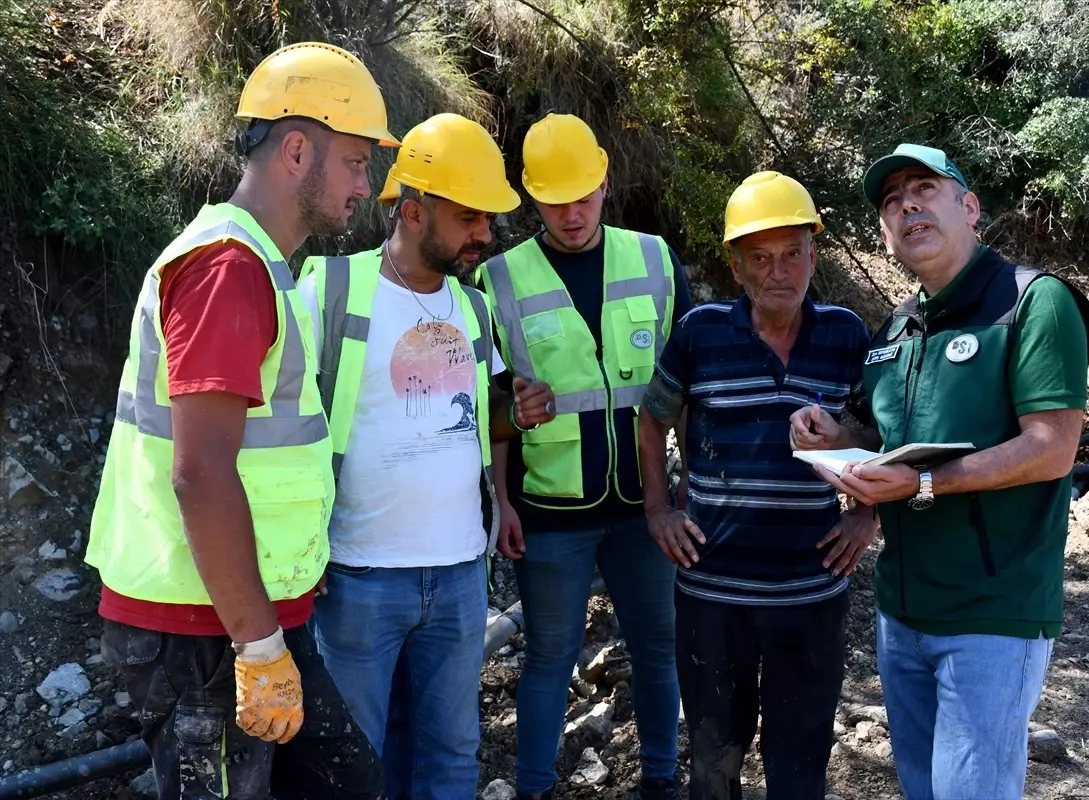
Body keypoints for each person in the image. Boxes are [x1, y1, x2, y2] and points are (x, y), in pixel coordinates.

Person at [85, 42, 399, 799]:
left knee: (346, 782)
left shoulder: (258, 265)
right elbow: (200, 472)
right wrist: (258, 643)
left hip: (239, 616)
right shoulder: (229, 268)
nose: (368, 185)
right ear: (298, 150)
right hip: (206, 629)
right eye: (357, 162)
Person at [808, 143, 1089, 800]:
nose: (907, 204)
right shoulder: (894, 331)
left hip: (993, 614)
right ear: (884, 235)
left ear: (970, 208)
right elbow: (876, 434)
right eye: (891, 200)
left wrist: (925, 483)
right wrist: (832, 436)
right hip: (902, 613)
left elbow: (1053, 446)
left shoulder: (1033, 302)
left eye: (924, 189)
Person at [295, 113, 554, 800]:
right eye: (470, 217)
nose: (485, 234)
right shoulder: (329, 292)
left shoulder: (472, 308)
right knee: (353, 765)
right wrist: (295, 549)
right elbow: (279, 431)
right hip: (357, 577)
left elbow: (476, 417)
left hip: (460, 572)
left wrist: (514, 420)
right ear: (412, 210)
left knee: (450, 758)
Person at [639, 171, 879, 800]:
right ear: (736, 267)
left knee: (800, 762)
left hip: (811, 592)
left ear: (814, 254)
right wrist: (659, 509)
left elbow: (884, 435)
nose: (780, 272)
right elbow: (651, 418)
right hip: (713, 595)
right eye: (761, 258)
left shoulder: (847, 335)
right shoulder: (700, 334)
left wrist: (865, 516)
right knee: (715, 763)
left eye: (793, 253)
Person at [476, 113, 693, 800]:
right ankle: (535, 787)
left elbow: (694, 381)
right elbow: (485, 408)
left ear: (605, 179)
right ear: (530, 197)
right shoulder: (497, 280)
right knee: (547, 659)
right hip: (550, 514)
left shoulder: (655, 260)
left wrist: (699, 491)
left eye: (582, 195)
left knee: (658, 652)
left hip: (645, 510)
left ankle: (660, 779)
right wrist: (501, 502)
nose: (571, 214)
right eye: (553, 200)